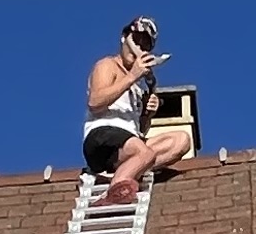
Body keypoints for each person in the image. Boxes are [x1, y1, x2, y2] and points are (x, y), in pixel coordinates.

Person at [83, 15, 197, 204]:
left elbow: (140, 129)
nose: (140, 47)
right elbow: (95, 102)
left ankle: (123, 172)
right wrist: (131, 77)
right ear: (124, 38)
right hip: (103, 137)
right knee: (144, 153)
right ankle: (115, 189)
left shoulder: (138, 87)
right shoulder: (107, 65)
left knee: (181, 141)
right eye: (136, 40)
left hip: (129, 142)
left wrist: (147, 114)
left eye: (145, 45)